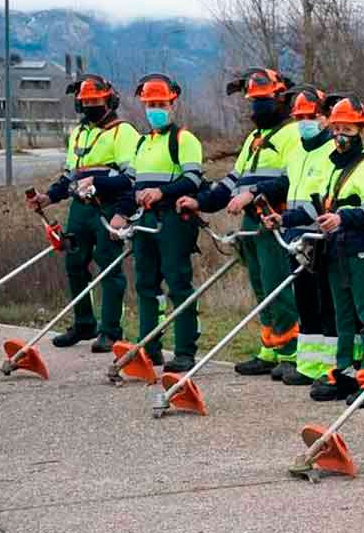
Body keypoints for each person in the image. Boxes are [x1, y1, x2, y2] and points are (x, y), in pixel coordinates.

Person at [177, 68, 303, 380]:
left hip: (276, 219)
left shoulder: (294, 134)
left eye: (263, 101)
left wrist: (254, 194)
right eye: (254, 101)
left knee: (278, 286)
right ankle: (269, 349)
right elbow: (234, 180)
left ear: (281, 99)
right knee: (260, 285)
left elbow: (293, 179)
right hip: (252, 223)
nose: (257, 108)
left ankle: (291, 352)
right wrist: (201, 201)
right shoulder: (254, 139)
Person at [276, 95, 364, 406]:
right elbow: (321, 208)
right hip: (338, 252)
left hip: (363, 251)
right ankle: (345, 372)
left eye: (349, 129)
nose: (341, 135)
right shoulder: (335, 167)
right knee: (343, 316)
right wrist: (284, 218)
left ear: (362, 130)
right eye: (337, 128)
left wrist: (343, 218)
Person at [27, 73, 139, 352]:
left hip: (108, 207)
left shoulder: (122, 132)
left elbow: (133, 180)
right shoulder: (78, 133)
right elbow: (70, 177)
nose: (90, 106)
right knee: (74, 265)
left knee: (108, 267)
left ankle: (111, 330)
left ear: (108, 100)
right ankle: (84, 323)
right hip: (80, 209)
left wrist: (114, 201)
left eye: (95, 101)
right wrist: (48, 197)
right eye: (85, 101)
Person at [256, 85, 347, 394]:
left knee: (326, 305)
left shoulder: (331, 152)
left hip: (319, 238)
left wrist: (290, 219)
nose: (304, 122)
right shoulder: (297, 152)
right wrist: (275, 213)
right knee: (305, 303)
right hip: (294, 238)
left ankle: (328, 366)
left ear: (324, 119)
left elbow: (323, 200)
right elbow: (288, 186)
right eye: (299, 117)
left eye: (310, 117)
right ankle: (308, 365)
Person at [112, 73, 205, 372]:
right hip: (144, 221)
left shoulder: (184, 140)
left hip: (174, 219)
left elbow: (193, 179)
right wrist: (122, 213)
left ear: (172, 104)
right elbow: (133, 184)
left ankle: (185, 351)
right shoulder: (142, 143)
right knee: (145, 284)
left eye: (160, 103)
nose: (155, 109)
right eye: (150, 104)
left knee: (178, 283)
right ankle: (148, 348)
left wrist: (162, 192)